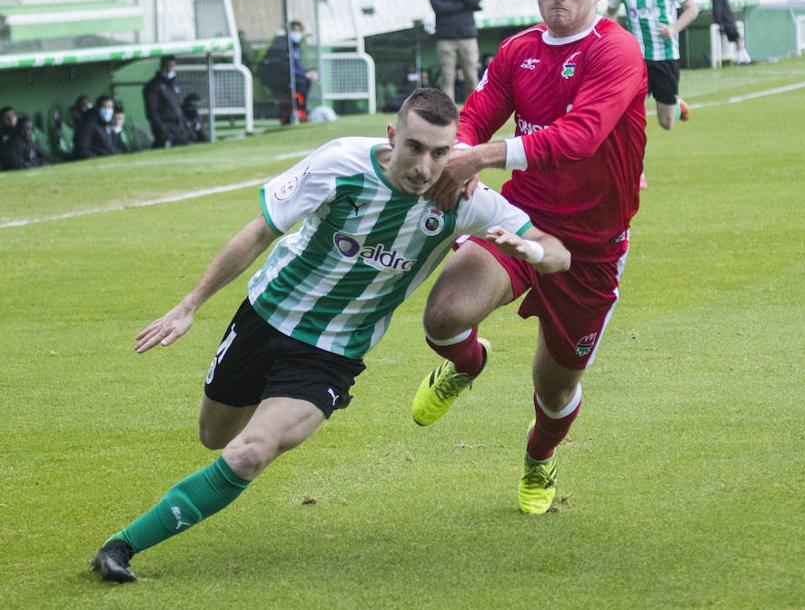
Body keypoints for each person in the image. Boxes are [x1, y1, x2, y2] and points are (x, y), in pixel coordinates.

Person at [89, 88, 570, 583]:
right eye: (415, 148)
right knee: (214, 437)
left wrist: (532, 252)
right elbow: (260, 231)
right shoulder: (341, 162)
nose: (426, 167)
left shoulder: (461, 201)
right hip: (266, 317)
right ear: (393, 135)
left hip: (332, 354)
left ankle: (121, 547)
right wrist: (189, 305)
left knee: (251, 452)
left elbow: (559, 252)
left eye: (440, 153)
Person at [413, 0, 647, 515]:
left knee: (556, 387)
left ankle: (539, 460)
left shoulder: (615, 50)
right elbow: (477, 113)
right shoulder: (519, 51)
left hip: (591, 249)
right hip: (520, 219)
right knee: (443, 318)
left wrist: (482, 155)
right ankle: (469, 364)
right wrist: (463, 151)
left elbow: (581, 136)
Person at [607, 0, 699, 131]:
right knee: (625, 113)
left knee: (666, 123)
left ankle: (675, 101)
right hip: (635, 57)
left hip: (665, 55)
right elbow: (610, 14)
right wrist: (611, 40)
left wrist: (674, 28)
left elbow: (691, 9)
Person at [429, 0, 482, 102]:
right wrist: (462, 6)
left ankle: (474, 110)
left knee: (471, 76)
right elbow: (438, 8)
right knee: (447, 78)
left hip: (467, 37)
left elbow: (475, 3)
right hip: (445, 38)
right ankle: (448, 114)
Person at [259, 21, 316, 125]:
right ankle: (292, 113)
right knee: (300, 83)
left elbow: (297, 65)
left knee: (305, 81)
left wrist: (307, 72)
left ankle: (301, 111)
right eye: (295, 30)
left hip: (294, 77)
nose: (297, 33)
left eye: (299, 31)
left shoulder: (295, 46)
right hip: (281, 79)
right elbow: (283, 67)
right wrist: (304, 74)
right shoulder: (281, 45)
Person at [143, 57, 190, 148]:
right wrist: (162, 131)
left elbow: (178, 108)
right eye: (167, 66)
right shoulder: (153, 86)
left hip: (179, 130)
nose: (169, 69)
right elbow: (152, 112)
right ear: (161, 67)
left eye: (172, 66)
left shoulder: (174, 85)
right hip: (165, 130)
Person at [712, 0, 752, 65]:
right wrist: (720, 23)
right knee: (737, 38)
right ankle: (742, 58)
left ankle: (742, 57)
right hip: (726, 22)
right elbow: (717, 10)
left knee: (738, 38)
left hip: (729, 21)